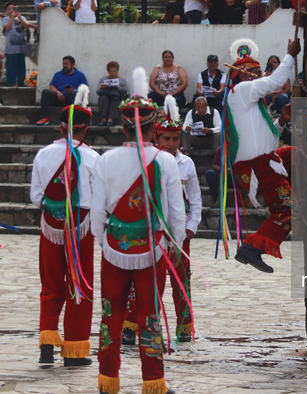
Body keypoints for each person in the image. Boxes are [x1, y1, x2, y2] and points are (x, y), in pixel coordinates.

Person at [92, 69, 184, 394]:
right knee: (149, 315)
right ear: (153, 126)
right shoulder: (166, 162)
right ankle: (153, 382)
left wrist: (106, 242)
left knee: (110, 314)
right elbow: (177, 215)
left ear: (123, 124)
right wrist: (174, 244)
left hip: (114, 247)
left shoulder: (106, 160)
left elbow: (96, 212)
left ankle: (108, 380)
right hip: (153, 248)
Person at [121, 95, 202, 345]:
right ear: (156, 137)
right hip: (151, 229)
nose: (171, 143)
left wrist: (190, 227)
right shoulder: (148, 160)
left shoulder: (186, 164)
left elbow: (195, 199)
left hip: (179, 233)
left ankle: (185, 326)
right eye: (166, 138)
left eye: (176, 138)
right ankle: (131, 325)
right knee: (142, 279)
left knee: (181, 280)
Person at [30, 86, 98, 367]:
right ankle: (74, 349)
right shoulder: (94, 158)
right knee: (79, 285)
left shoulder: (43, 155)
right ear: (86, 129)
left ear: (60, 127)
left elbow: (36, 198)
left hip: (50, 226)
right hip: (81, 227)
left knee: (51, 285)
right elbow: (99, 199)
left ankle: (47, 344)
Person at [226, 37, 300, 273]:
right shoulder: (242, 90)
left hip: (264, 158)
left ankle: (306, 196)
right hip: (258, 165)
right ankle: (251, 247)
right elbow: (277, 81)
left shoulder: (247, 99)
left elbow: (264, 136)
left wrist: (282, 121)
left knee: (298, 154)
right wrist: (290, 54)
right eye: (257, 72)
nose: (261, 76)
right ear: (244, 74)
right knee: (289, 211)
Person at [37, 56, 88, 126]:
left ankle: (74, 119)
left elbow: (85, 89)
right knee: (45, 92)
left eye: (67, 64)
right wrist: (58, 92)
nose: (65, 66)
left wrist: (73, 90)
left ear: (73, 64)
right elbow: (51, 86)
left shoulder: (80, 75)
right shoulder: (58, 74)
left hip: (71, 99)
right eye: (63, 64)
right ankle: (44, 118)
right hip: (58, 98)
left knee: (76, 93)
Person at [2, 2, 30, 87]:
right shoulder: (6, 19)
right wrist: (11, 18)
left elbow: (26, 26)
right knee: (11, 66)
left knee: (21, 65)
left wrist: (20, 17)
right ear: (7, 11)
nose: (12, 10)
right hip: (11, 48)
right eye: (9, 9)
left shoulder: (22, 18)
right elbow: (7, 28)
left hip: (21, 47)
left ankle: (21, 81)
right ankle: (10, 81)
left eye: (13, 8)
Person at [96, 61, 129, 127]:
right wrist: (101, 88)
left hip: (116, 98)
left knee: (115, 98)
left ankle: (111, 119)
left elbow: (127, 94)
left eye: (115, 71)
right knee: (103, 97)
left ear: (117, 71)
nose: (113, 73)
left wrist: (120, 90)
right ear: (108, 71)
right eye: (111, 71)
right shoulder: (103, 79)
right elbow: (97, 91)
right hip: (105, 97)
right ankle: (104, 119)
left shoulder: (122, 80)